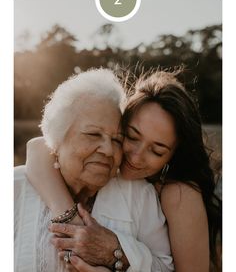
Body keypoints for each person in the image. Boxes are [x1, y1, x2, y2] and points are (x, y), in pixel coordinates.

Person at [26, 68, 222, 272]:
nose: (135, 156)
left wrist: (115, 254)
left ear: (173, 155)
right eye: (131, 136)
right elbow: (40, 146)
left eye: (156, 150)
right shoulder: (108, 166)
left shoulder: (178, 193)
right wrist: (70, 217)